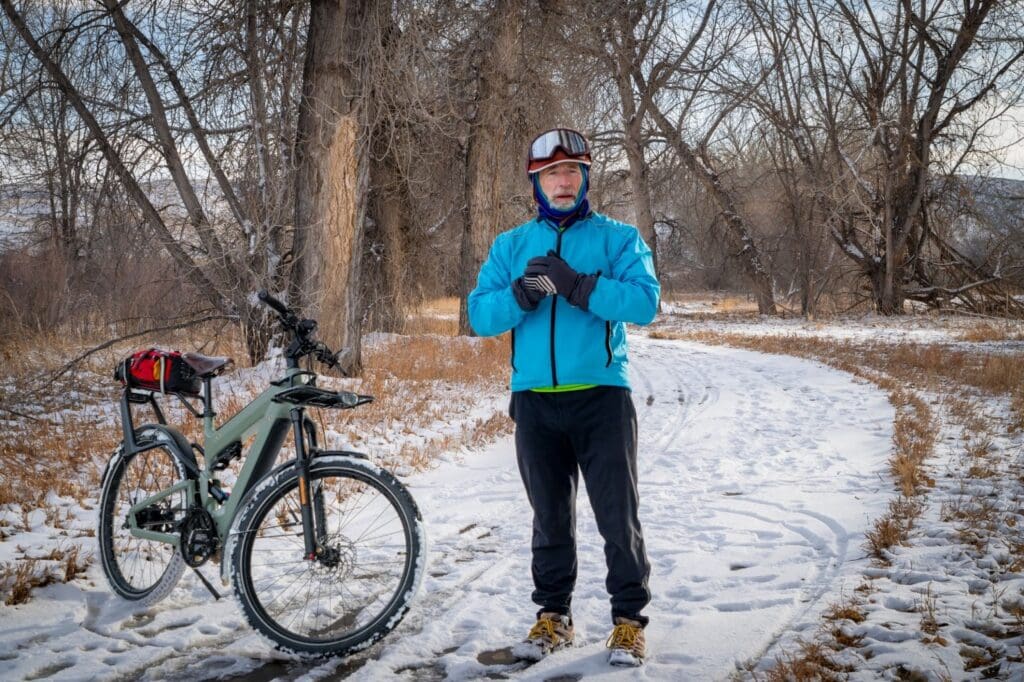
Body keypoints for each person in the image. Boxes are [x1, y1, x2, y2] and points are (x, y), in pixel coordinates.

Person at [467, 127, 660, 667]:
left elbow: (646, 303)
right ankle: (553, 618)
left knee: (616, 517)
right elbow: (479, 315)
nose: (563, 180)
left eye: (572, 170)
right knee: (549, 518)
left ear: (586, 178)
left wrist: (579, 286)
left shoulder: (618, 238)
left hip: (602, 398)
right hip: (534, 402)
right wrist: (519, 297)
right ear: (536, 181)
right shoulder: (510, 246)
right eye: (552, 173)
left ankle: (628, 623)